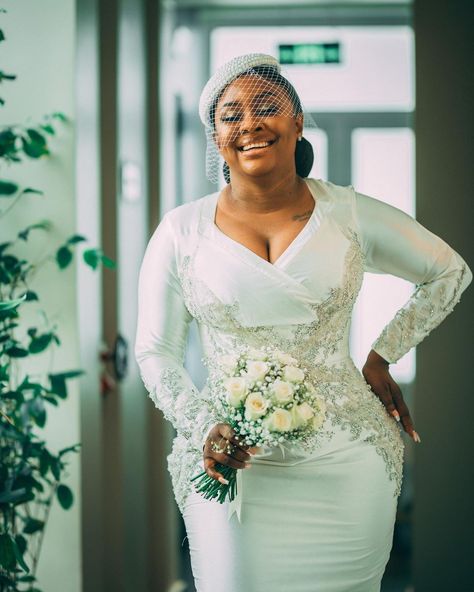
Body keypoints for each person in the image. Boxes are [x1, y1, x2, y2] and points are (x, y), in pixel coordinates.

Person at [134, 53, 472, 592]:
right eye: (230, 115)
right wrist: (203, 426)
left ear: (296, 121)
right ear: (215, 137)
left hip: (347, 462)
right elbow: (155, 351)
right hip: (234, 464)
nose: (249, 123)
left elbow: (448, 271)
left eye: (267, 107)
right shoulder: (181, 231)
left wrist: (383, 353)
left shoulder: (349, 214)